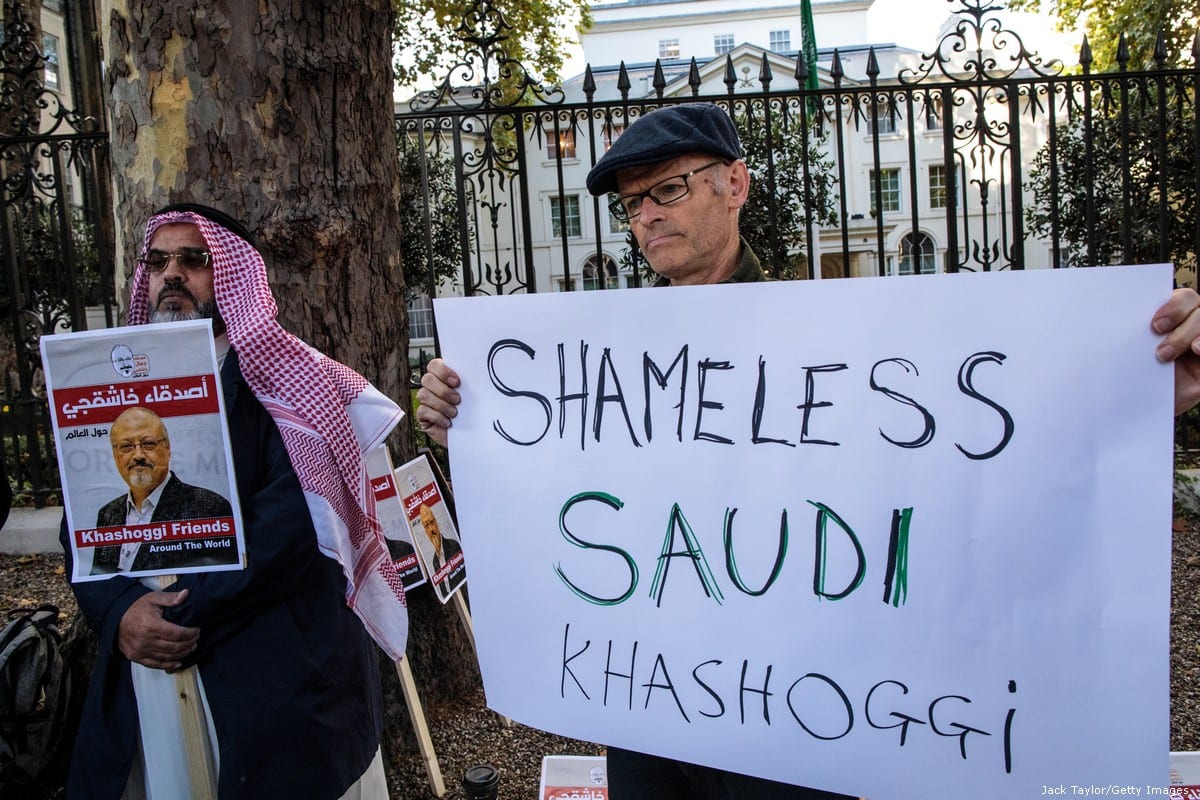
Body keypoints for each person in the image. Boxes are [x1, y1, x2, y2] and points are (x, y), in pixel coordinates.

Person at [416, 102, 1200, 799]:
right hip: (651, 710)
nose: (647, 216)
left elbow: (969, 446)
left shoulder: (842, 338)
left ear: (736, 185)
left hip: (798, 720)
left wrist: (1130, 392)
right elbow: (561, 492)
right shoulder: (589, 368)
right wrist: (473, 436)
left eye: (668, 189)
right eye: (632, 204)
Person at [60, 203, 408, 800]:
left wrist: (167, 615)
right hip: (147, 664)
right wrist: (120, 613)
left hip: (270, 665)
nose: (172, 273)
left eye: (193, 259)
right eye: (158, 260)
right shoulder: (110, 391)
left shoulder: (297, 379)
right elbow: (81, 523)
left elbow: (294, 523)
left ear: (230, 274)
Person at [91, 406, 235, 574]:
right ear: (116, 456)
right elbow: (97, 579)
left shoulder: (209, 508)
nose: (138, 455)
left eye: (148, 444)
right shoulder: (108, 514)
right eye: (126, 446)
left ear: (168, 449)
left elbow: (218, 580)